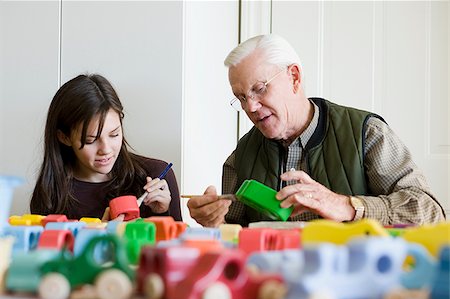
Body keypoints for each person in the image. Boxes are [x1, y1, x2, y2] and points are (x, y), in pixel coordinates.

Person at [187, 34, 445, 227]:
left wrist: (348, 206)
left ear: (294, 77)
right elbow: (236, 232)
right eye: (241, 97)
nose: (251, 107)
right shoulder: (242, 155)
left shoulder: (366, 134)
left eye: (260, 89)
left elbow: (431, 212)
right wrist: (214, 221)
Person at [30, 74, 182, 221]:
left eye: (114, 135)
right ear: (65, 137)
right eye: (91, 140)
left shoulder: (155, 176)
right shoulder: (51, 194)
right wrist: (101, 235)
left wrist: (162, 213)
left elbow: (180, 245)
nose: (106, 149)